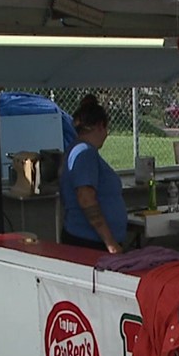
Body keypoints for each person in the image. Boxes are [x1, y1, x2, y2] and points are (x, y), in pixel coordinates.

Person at [59, 94, 127, 253]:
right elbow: (86, 198)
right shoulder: (84, 153)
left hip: (88, 240)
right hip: (89, 243)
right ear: (100, 126)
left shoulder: (77, 150)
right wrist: (110, 242)